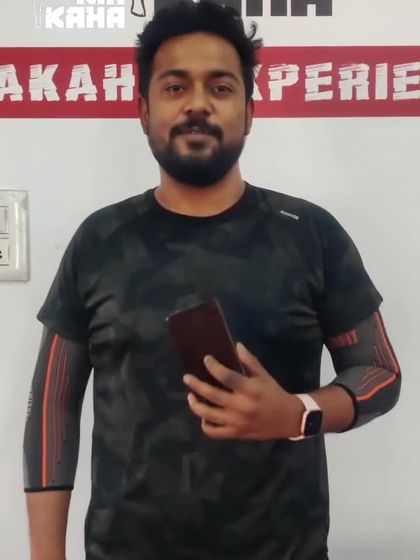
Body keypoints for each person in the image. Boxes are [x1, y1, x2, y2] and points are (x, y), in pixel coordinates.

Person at [23, 1, 402, 559]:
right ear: (143, 110)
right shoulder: (99, 241)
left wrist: (298, 412)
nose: (197, 104)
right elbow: (53, 406)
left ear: (249, 112)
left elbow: (380, 371)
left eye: (221, 88)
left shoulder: (310, 234)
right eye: (175, 87)